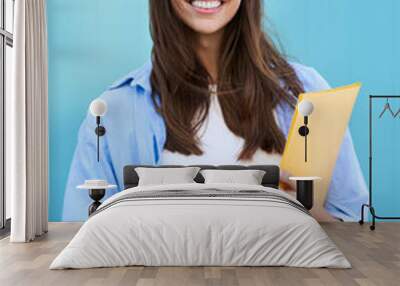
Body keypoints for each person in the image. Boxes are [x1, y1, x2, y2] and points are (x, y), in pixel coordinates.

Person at [63, 0, 367, 221]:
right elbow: (82, 230)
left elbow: (353, 224)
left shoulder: (307, 92)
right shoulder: (115, 109)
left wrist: (300, 207)